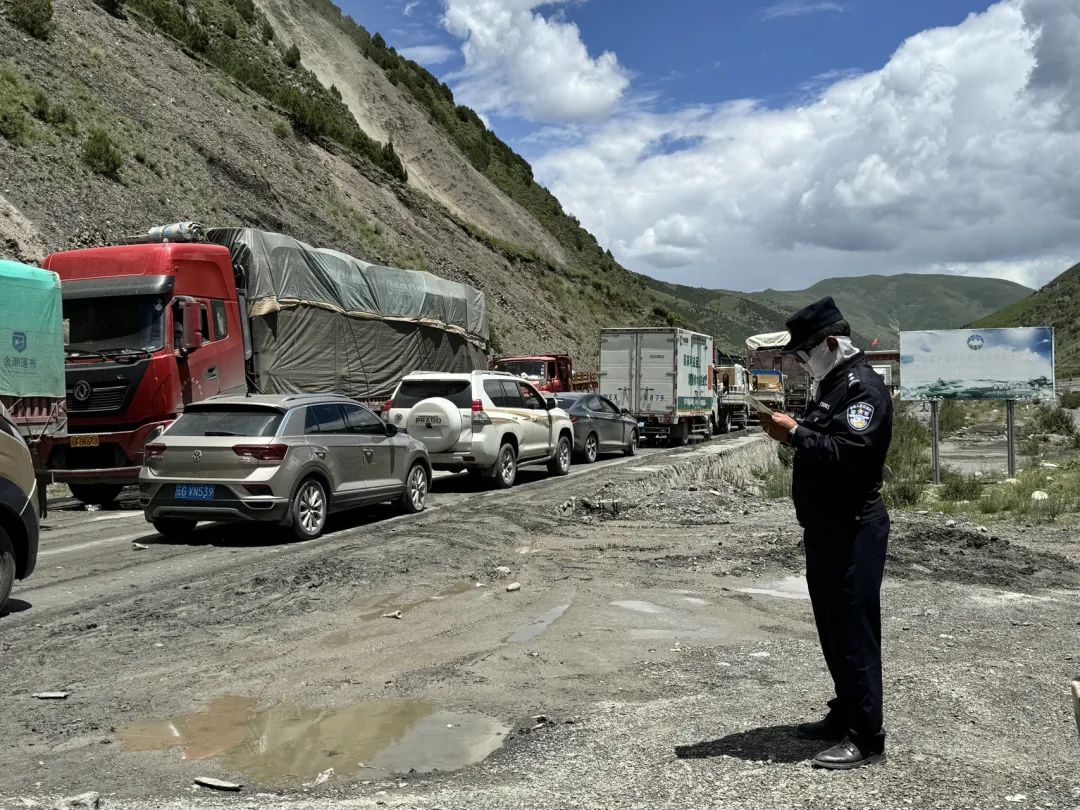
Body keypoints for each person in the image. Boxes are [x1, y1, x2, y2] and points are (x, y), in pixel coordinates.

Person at [761, 296, 893, 770]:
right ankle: (845, 711)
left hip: (854, 527)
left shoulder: (863, 388)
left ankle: (866, 735)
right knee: (832, 628)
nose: (800, 361)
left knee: (854, 630)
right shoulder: (834, 383)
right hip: (826, 527)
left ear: (831, 343)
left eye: (804, 353)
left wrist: (795, 434)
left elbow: (850, 456)